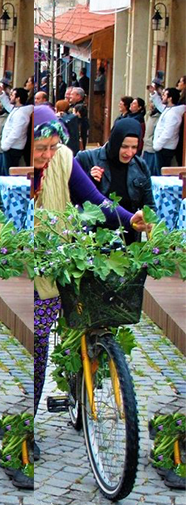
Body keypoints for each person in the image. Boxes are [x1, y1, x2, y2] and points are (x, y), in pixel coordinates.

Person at [30, 105, 149, 465]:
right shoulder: (24, 172)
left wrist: (131, 220)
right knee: (34, 344)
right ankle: (24, 427)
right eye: (41, 148)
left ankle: (79, 388)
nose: (48, 154)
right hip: (29, 263)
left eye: (53, 146)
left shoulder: (66, 160)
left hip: (64, 259)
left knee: (61, 333)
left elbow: (95, 202)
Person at [76, 118, 154, 243]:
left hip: (128, 239)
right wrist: (89, 180)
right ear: (115, 142)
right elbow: (72, 196)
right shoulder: (87, 158)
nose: (129, 153)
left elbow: (149, 206)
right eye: (124, 146)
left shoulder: (140, 166)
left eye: (134, 147)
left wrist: (148, 225)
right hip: (93, 237)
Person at [154, 88, 185, 169]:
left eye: (164, 95)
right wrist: (153, 94)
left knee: (162, 173)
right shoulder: (168, 110)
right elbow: (159, 105)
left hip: (165, 148)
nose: (162, 97)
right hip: (163, 147)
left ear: (170, 98)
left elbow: (168, 132)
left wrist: (157, 145)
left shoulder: (173, 114)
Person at [0, 87, 32, 168]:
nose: (10, 97)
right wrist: (1, 94)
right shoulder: (17, 109)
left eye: (12, 95)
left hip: (13, 148)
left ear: (18, 98)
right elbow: (7, 105)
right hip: (11, 147)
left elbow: (16, 132)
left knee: (10, 173)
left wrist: (5, 145)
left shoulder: (21, 114)